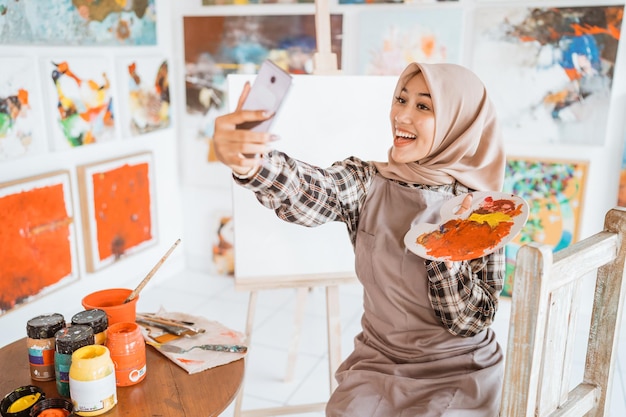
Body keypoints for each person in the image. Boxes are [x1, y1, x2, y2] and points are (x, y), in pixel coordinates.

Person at [212, 62, 506, 417]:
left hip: (461, 370)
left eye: (423, 106)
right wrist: (253, 165)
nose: (402, 116)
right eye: (401, 99)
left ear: (459, 124)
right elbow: (313, 189)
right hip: (379, 363)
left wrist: (446, 252)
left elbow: (471, 320)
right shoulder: (368, 180)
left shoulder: (485, 210)